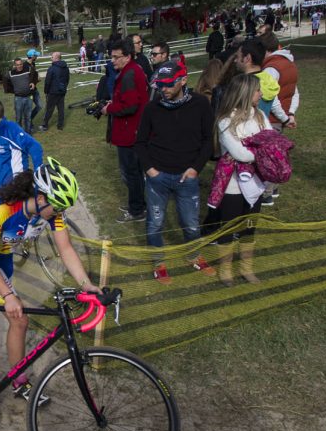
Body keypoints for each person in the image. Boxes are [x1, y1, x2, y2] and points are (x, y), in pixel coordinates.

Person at [0, 159, 101, 402]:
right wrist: (9, 296)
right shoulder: (2, 209)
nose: (59, 213)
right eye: (57, 207)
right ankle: (19, 382)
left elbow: (65, 250)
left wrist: (86, 284)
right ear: (42, 198)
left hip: (4, 262)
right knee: (19, 319)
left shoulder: (50, 212)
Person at [134, 63, 216, 282]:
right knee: (155, 222)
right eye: (160, 85)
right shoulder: (152, 108)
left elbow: (209, 140)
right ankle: (158, 261)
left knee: (190, 222)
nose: (164, 89)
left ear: (183, 80)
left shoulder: (200, 104)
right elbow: (140, 142)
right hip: (157, 177)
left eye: (169, 84)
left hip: (187, 176)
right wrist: (151, 171)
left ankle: (194, 255)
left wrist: (195, 169)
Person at [204, 74, 270, 285]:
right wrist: (258, 152)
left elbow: (271, 143)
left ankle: (246, 269)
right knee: (230, 227)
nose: (261, 94)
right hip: (232, 186)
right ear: (246, 93)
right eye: (258, 90)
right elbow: (239, 153)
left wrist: (253, 149)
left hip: (255, 185)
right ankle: (225, 270)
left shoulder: (260, 116)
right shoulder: (225, 120)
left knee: (250, 226)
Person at [103, 37, 149, 223]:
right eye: (111, 57)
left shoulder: (130, 73)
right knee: (135, 173)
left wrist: (109, 109)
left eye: (116, 57)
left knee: (132, 173)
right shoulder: (130, 71)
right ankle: (137, 204)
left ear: (127, 56)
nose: (112, 60)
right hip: (132, 131)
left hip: (130, 133)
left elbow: (130, 105)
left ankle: (137, 210)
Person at [0, 97, 44, 189]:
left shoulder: (10, 129)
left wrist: (38, 178)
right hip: (1, 188)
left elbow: (35, 147)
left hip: (15, 188)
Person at [38, 51, 71, 132]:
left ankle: (45, 125)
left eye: (52, 57)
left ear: (56, 58)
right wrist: (64, 88)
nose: (51, 58)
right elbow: (67, 80)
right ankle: (60, 125)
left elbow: (47, 81)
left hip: (53, 92)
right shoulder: (66, 68)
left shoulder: (52, 68)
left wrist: (46, 91)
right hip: (62, 91)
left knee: (49, 109)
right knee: (61, 109)